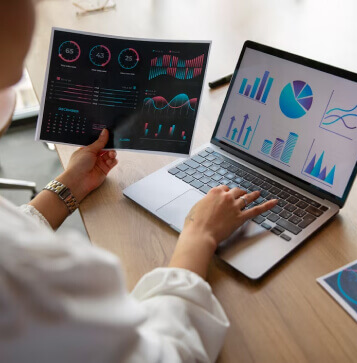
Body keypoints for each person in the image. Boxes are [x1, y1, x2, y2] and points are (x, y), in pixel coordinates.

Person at [0, 1, 278, 362]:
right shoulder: (25, 277)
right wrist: (198, 236)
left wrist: (68, 188)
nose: (20, 79)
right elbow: (164, 355)